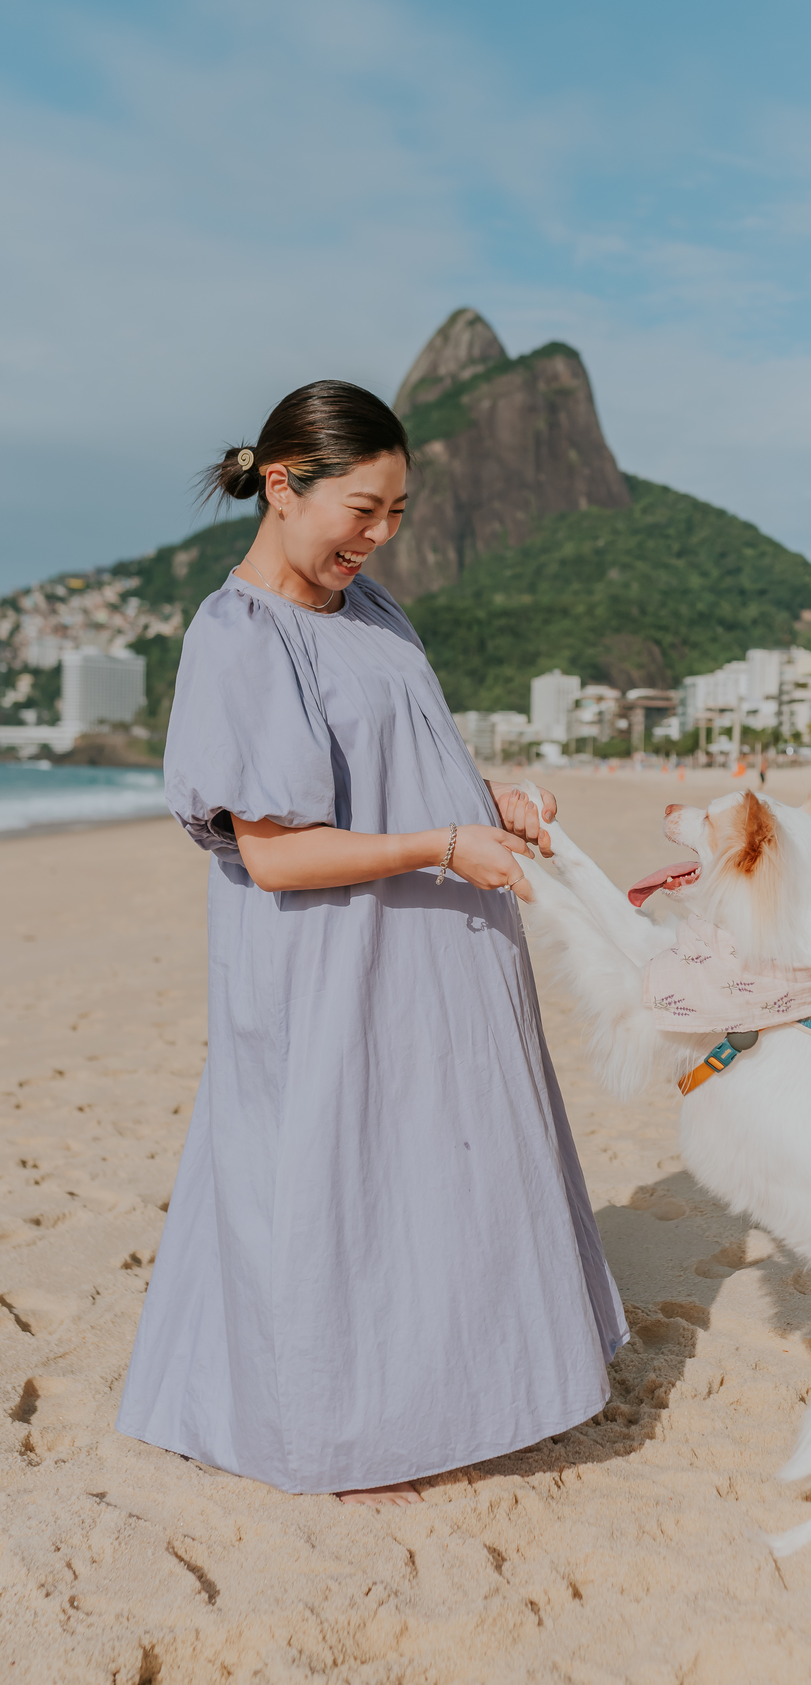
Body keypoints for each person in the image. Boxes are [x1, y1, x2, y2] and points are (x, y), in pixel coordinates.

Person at [116, 381, 627, 1505]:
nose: (380, 536)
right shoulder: (239, 635)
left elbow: (394, 760)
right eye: (363, 508)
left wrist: (491, 800)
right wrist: (447, 840)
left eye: (397, 512)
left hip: (434, 947)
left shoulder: (373, 610)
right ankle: (340, 1438)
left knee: (435, 1180)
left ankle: (448, 1402)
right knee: (339, 1189)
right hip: (332, 965)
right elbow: (279, 853)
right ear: (284, 483)